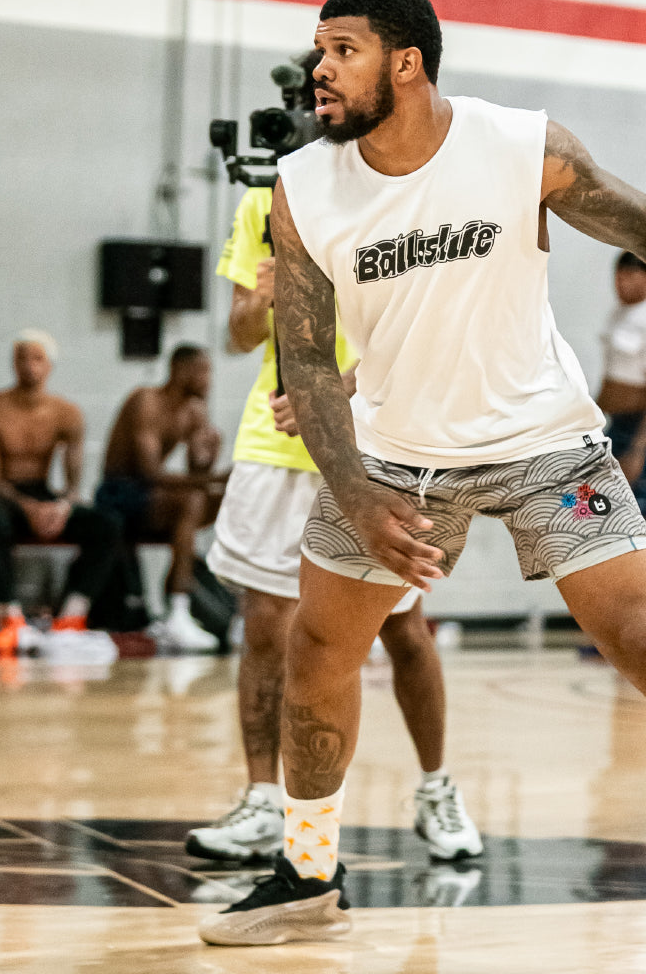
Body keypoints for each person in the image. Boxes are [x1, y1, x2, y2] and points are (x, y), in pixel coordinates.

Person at [199, 0, 646, 974]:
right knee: (318, 647)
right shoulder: (302, 187)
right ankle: (309, 872)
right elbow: (310, 366)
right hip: (393, 454)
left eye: (342, 49)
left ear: (406, 63)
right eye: (318, 49)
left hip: (546, 445)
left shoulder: (514, 145)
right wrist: (359, 494)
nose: (319, 69)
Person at [186, 50, 481, 865]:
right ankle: (261, 801)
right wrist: (262, 296)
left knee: (405, 628)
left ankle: (437, 786)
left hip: (377, 437)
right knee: (264, 627)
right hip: (275, 440)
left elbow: (422, 327)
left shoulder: (401, 194)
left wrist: (336, 394)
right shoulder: (266, 197)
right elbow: (238, 333)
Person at [0, 330, 121, 652]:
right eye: (22, 358)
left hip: (44, 493)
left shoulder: (67, 413)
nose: (29, 366)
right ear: (13, 363)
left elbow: (73, 484)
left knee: (108, 523)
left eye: (37, 358)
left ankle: (72, 616)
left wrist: (62, 506)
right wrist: (28, 507)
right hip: (5, 497)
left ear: (49, 365)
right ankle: (10, 616)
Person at [95, 344, 227, 651]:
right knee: (193, 500)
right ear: (180, 371)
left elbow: (196, 472)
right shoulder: (146, 401)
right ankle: (178, 610)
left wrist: (207, 458)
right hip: (118, 493)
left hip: (151, 496)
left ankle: (205, 597)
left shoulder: (194, 411)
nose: (208, 380)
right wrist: (213, 478)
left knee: (224, 499)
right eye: (202, 371)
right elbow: (150, 473)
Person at [596, 252, 646, 568]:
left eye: (630, 276)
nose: (621, 284)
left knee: (643, 522)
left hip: (644, 431)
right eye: (618, 277)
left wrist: (639, 448)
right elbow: (614, 377)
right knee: (598, 511)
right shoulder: (619, 313)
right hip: (616, 426)